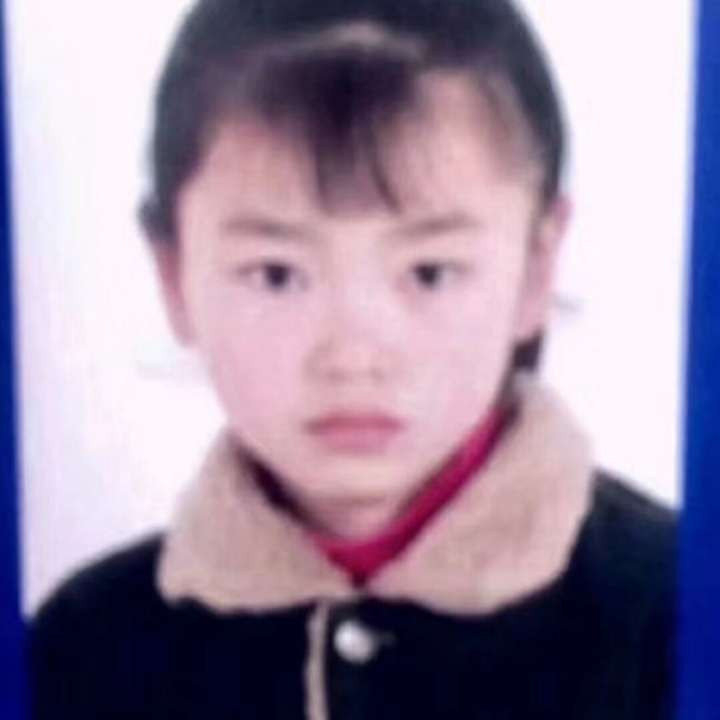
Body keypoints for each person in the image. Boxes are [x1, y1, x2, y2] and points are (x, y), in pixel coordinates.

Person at [29, 0, 676, 718]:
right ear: (174, 277)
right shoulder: (79, 651)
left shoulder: (679, 618)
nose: (354, 356)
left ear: (535, 268)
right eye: (277, 275)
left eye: (430, 272)